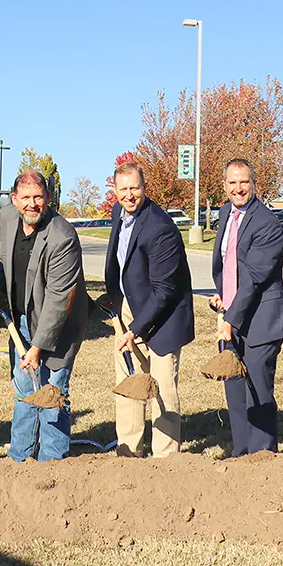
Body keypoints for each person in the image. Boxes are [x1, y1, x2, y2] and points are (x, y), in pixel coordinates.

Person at [0, 170, 86, 462]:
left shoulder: (62, 236)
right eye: (26, 198)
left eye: (38, 197)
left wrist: (36, 348)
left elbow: (59, 300)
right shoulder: (6, 218)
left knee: (52, 392)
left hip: (60, 325)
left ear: (48, 198)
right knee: (24, 391)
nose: (32, 204)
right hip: (21, 320)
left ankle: (52, 461)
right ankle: (20, 457)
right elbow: (2, 258)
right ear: (14, 199)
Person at [102, 162, 194, 458]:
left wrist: (135, 330)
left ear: (145, 188)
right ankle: (129, 450)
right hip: (131, 307)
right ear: (115, 191)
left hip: (164, 318)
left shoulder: (160, 227)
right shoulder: (120, 213)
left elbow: (165, 290)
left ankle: (165, 459)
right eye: (124, 189)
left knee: (161, 388)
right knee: (129, 381)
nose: (129, 195)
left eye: (135, 188)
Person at [210, 159, 283, 457]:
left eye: (243, 182)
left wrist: (231, 317)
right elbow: (228, 264)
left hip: (260, 322)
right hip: (232, 317)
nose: (238, 188)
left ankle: (262, 460)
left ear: (254, 184)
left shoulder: (267, 224)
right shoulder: (225, 214)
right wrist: (222, 296)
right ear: (225, 185)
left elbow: (254, 279)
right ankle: (241, 455)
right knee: (234, 390)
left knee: (257, 393)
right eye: (232, 182)